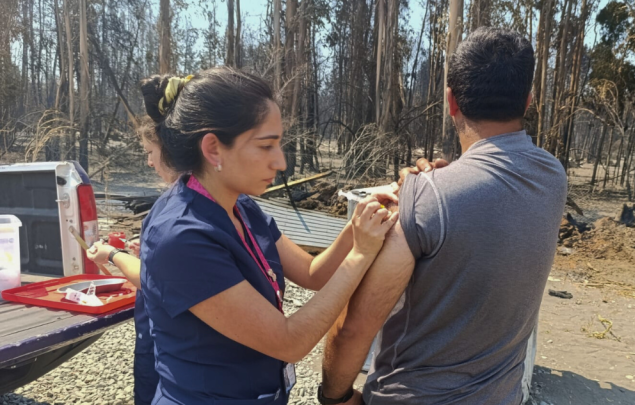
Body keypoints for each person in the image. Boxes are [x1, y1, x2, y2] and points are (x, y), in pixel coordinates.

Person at [320, 28, 568, 405]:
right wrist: (438, 185)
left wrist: (333, 397)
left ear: (450, 101)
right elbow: (489, 209)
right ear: (529, 100)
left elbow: (355, 328)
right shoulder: (553, 177)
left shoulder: (429, 197)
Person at [138, 66, 398, 405]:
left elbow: (312, 273)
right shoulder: (179, 236)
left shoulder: (239, 204)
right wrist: (360, 255)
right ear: (213, 149)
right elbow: (289, 341)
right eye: (266, 146)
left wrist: (356, 226)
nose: (280, 162)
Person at [87, 116, 179, 405]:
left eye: (150, 153)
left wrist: (114, 255)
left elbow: (154, 279)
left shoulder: (176, 206)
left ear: (170, 150)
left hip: (161, 338)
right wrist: (145, 252)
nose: (149, 162)